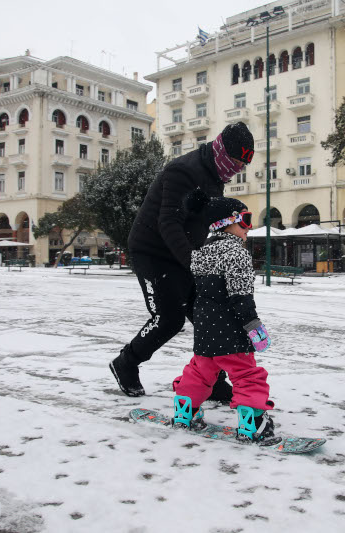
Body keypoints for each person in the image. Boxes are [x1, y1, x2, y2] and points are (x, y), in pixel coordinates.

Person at [110, 122, 255, 400]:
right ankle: (126, 363)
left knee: (210, 317)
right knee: (169, 318)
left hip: (187, 252)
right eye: (236, 161)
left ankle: (210, 381)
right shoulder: (183, 171)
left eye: (243, 164)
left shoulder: (216, 177)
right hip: (152, 251)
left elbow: (205, 220)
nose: (238, 169)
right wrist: (195, 263)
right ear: (223, 152)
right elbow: (169, 223)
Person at [171, 195, 278, 444]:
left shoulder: (200, 252)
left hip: (205, 329)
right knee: (246, 374)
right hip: (231, 330)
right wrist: (254, 327)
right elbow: (240, 296)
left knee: (199, 372)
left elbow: (196, 293)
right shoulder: (236, 253)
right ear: (227, 222)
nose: (248, 228)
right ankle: (253, 423)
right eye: (246, 220)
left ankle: (185, 412)